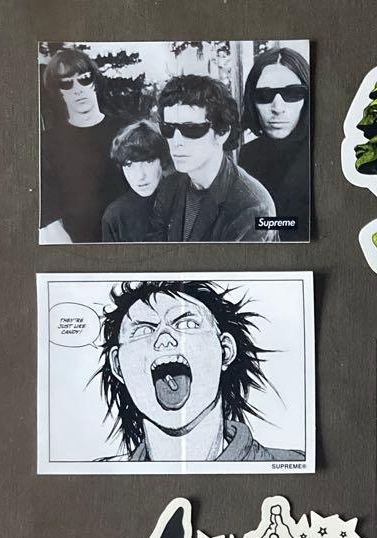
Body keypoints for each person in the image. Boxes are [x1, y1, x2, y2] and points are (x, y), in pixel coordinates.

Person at [96, 279, 304, 462]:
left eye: (187, 323)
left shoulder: (293, 463)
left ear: (225, 351)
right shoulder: (104, 480)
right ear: (117, 365)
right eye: (143, 329)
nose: (164, 338)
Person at [148, 75, 276, 242]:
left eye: (191, 129)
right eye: (168, 128)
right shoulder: (169, 187)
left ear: (222, 133)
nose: (176, 142)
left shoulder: (252, 207)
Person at [39, 48, 126, 243]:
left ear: (94, 81)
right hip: (75, 244)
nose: (77, 89)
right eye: (66, 83)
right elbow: (48, 213)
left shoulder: (125, 130)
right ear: (58, 92)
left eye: (84, 79)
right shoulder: (47, 143)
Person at [238, 47, 311, 242]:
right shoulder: (248, 154)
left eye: (292, 93)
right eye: (264, 95)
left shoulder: (322, 152)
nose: (278, 108)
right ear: (252, 100)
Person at [102, 121, 170, 242]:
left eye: (148, 162)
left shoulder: (182, 200)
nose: (140, 176)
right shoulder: (115, 215)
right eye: (129, 165)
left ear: (162, 161)